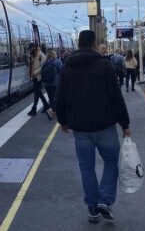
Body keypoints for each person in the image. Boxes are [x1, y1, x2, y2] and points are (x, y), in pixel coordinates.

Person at [56, 30, 131, 224]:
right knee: (111, 162)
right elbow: (116, 97)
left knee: (86, 168)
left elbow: (60, 97)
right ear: (94, 44)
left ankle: (92, 208)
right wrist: (125, 124)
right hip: (105, 126)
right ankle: (105, 201)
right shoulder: (104, 65)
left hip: (80, 128)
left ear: (79, 43)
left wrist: (63, 121)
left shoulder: (67, 67)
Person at [27, 42, 49, 117]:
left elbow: (42, 67)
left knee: (36, 93)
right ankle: (46, 105)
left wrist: (34, 73)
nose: (30, 50)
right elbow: (31, 65)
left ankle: (34, 109)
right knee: (38, 92)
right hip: (34, 77)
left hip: (39, 77)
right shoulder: (32, 56)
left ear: (35, 48)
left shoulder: (41, 55)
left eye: (30, 49)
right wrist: (30, 73)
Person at [41, 49, 63, 120]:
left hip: (47, 84)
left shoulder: (45, 62)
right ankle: (53, 111)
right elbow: (62, 70)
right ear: (54, 54)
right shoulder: (57, 61)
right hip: (55, 83)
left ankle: (52, 111)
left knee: (51, 98)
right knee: (55, 98)